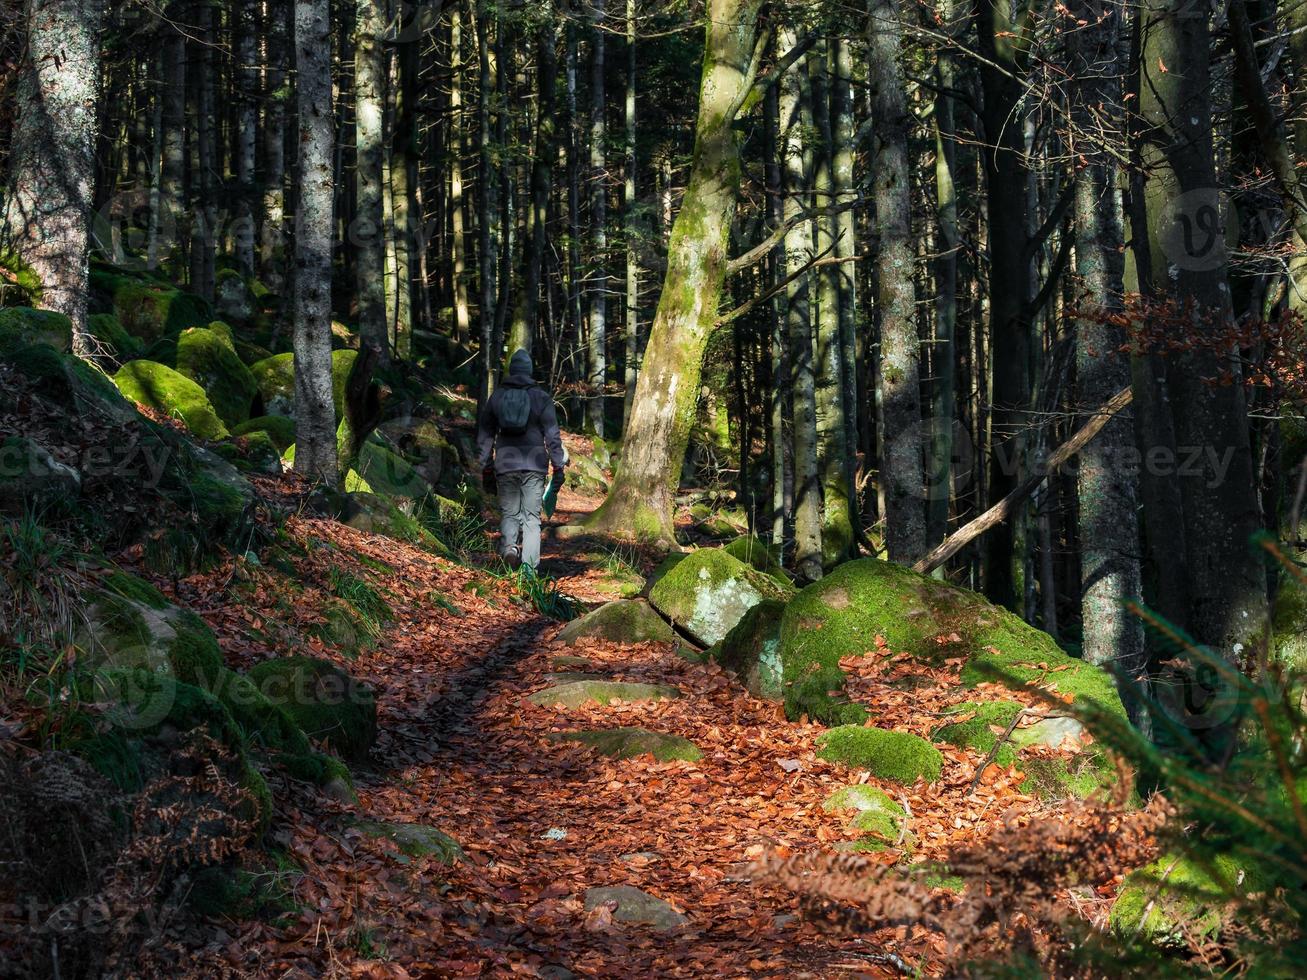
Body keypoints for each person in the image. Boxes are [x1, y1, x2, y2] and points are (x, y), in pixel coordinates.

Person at [476, 349, 567, 570]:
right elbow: (552, 436)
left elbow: (485, 435)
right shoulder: (541, 397)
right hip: (535, 465)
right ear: (529, 371)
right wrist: (558, 465)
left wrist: (485, 465)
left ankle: (509, 550)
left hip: (506, 464)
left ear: (511, 370)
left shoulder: (497, 396)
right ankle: (528, 571)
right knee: (531, 519)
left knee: (509, 513)